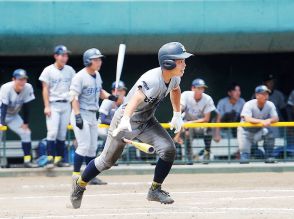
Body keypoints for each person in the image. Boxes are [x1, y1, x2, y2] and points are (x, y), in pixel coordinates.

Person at [69, 42, 193, 208]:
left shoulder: (174, 78)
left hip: (147, 121)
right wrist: (126, 119)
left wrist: (177, 114)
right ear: (168, 62)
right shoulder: (152, 79)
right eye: (181, 60)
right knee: (106, 162)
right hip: (125, 121)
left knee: (168, 149)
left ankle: (155, 190)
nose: (184, 64)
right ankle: (80, 185)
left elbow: (176, 90)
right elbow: (136, 98)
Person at [69, 48, 120, 185]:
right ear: (88, 61)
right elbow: (73, 97)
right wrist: (77, 115)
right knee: (84, 146)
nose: (99, 62)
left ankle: (89, 176)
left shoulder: (97, 75)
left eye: (99, 59)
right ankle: (75, 175)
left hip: (92, 114)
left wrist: (110, 96)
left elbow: (100, 91)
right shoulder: (79, 76)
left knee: (92, 147)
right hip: (81, 113)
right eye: (96, 59)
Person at [39, 45, 75, 168]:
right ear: (56, 56)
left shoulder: (70, 70)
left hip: (66, 104)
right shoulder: (48, 70)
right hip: (53, 104)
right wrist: (46, 106)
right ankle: (49, 159)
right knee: (52, 132)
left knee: (61, 134)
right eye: (62, 55)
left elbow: (74, 88)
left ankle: (59, 159)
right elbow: (45, 89)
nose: (65, 57)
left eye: (66, 55)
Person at [173, 79, 217, 164]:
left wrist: (190, 123)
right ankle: (189, 158)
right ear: (193, 88)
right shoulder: (186, 95)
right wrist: (178, 117)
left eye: (202, 88)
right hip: (187, 123)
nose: (201, 90)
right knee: (186, 133)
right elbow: (180, 108)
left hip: (200, 123)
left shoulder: (207, 99)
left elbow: (206, 119)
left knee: (209, 129)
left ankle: (206, 153)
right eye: (199, 88)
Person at [0, 69, 37, 168]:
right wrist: (1, 123)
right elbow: (3, 107)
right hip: (1, 114)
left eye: (24, 79)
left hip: (13, 116)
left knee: (26, 132)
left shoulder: (28, 87)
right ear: (13, 79)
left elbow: (27, 106)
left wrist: (25, 123)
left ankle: (27, 161)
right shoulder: (6, 87)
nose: (22, 82)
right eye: (20, 79)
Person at [238, 85, 279, 164]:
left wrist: (269, 120)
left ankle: (269, 156)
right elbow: (247, 119)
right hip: (245, 132)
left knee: (269, 134)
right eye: (263, 94)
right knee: (244, 160)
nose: (266, 96)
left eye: (267, 94)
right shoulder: (249, 104)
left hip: (259, 131)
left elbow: (276, 118)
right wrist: (262, 121)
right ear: (257, 95)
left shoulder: (270, 104)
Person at [98, 81, 127, 146]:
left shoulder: (126, 101)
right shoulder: (107, 101)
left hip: (118, 127)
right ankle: (103, 150)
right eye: (118, 90)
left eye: (122, 90)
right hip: (103, 127)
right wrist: (117, 123)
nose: (121, 92)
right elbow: (102, 120)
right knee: (111, 137)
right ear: (113, 91)